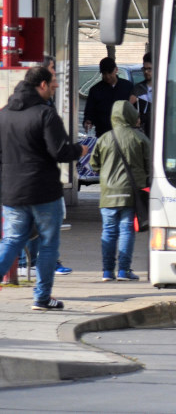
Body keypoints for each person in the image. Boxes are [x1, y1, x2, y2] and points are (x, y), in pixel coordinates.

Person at [0, 66, 89, 310]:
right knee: (49, 243)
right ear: (41, 85)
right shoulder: (45, 114)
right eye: (52, 83)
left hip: (12, 192)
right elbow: (59, 151)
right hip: (44, 191)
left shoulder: (4, 114)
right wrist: (79, 150)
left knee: (11, 241)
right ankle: (41, 297)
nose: (56, 86)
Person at [89, 100, 150, 282]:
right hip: (131, 193)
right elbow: (149, 165)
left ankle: (107, 271)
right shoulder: (140, 138)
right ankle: (124, 270)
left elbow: (94, 164)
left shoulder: (105, 138)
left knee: (108, 231)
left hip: (108, 193)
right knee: (126, 230)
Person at [83, 57, 134, 137]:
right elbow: (89, 111)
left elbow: (134, 109)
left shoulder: (128, 87)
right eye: (104, 73)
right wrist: (88, 121)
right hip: (103, 133)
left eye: (110, 72)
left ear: (116, 70)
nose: (107, 76)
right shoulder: (95, 90)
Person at [129, 52, 153, 137]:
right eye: (144, 69)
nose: (146, 72)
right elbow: (128, 109)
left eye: (149, 69)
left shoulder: (165, 88)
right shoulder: (137, 89)